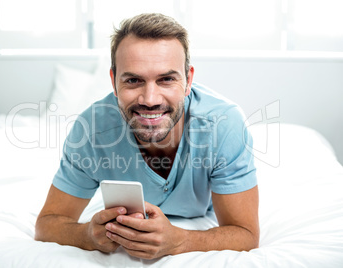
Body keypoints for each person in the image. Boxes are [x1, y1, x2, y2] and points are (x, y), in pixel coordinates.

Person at [35, 13, 259, 259]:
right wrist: (87, 236)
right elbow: (47, 225)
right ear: (113, 81)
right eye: (133, 80)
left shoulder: (224, 125)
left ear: (188, 81)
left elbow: (245, 233)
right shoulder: (91, 130)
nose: (150, 100)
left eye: (166, 79)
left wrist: (179, 241)